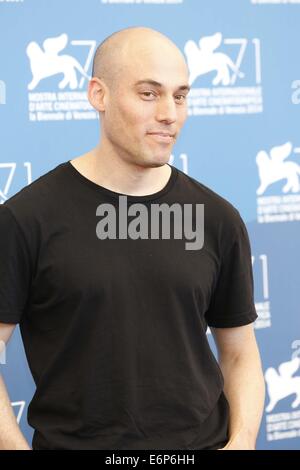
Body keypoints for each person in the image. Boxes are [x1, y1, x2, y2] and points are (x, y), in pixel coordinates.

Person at [0, 26, 265, 450]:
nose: (169, 114)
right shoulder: (26, 218)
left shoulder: (218, 218)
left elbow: (239, 353)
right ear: (98, 95)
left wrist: (242, 441)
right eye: (148, 93)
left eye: (180, 96)